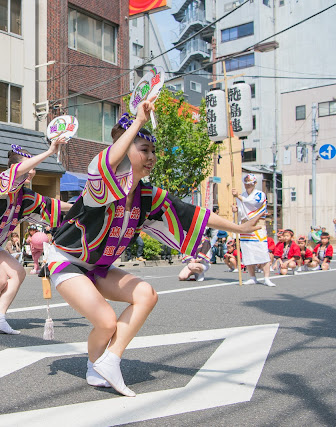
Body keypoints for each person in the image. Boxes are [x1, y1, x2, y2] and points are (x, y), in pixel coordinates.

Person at [45, 101, 264, 397]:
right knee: (106, 321)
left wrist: (240, 228)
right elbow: (103, 163)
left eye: (152, 150)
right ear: (125, 150)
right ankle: (100, 362)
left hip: (98, 267)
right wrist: (137, 122)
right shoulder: (103, 182)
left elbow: (193, 213)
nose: (151, 157)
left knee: (146, 295)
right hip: (66, 260)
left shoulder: (148, 195)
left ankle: (104, 362)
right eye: (143, 149)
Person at [0, 138, 71, 334]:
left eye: (33, 168)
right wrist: (49, 152)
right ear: (14, 169)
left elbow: (52, 205)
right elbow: (16, 172)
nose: (32, 172)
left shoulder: (25, 195)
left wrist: (85, 205)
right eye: (29, 167)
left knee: (18, 272)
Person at [232, 174, 275, 286]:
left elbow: (253, 203)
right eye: (246, 184)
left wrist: (239, 197)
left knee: (262, 251)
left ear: (255, 184)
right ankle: (252, 277)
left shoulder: (260, 195)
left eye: (250, 184)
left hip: (257, 225)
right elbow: (241, 212)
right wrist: (236, 210)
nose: (248, 186)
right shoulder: (241, 195)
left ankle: (266, 278)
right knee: (247, 252)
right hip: (245, 225)